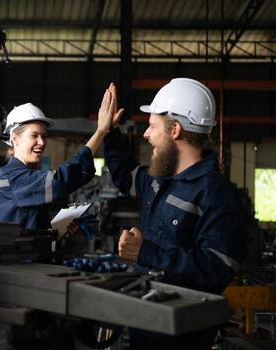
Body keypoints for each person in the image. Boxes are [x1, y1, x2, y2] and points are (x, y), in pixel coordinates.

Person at [104, 78, 246, 349]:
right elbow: (127, 175)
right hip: (144, 325)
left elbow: (216, 272)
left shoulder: (216, 195)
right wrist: (109, 132)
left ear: (175, 130)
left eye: (153, 126)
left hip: (182, 337)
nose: (146, 134)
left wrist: (145, 253)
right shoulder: (161, 178)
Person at [0, 87, 122, 229]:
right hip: (17, 252)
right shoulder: (11, 176)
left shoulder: (23, 174)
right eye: (34, 135)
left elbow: (27, 223)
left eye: (44, 136)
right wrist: (100, 132)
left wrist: (56, 229)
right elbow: (59, 181)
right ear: (15, 139)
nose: (41, 142)